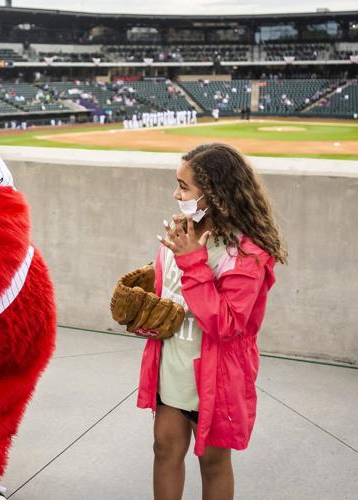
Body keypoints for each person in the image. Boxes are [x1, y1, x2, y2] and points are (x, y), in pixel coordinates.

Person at [139, 143, 287, 500]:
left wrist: (193, 262)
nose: (176, 194)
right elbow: (169, 290)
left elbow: (227, 322)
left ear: (215, 193)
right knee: (164, 448)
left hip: (217, 373)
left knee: (213, 462)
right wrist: (145, 309)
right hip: (172, 363)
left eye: (184, 186)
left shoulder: (248, 252)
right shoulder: (182, 229)